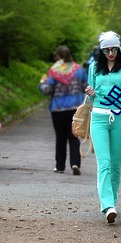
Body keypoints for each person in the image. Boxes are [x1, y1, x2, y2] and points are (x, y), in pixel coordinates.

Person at [85, 31, 121, 223]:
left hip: (120, 118)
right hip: (98, 118)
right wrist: (90, 92)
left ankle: (112, 201)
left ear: (119, 48)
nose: (110, 53)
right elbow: (91, 97)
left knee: (116, 163)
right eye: (106, 50)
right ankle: (107, 205)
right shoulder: (93, 68)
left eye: (114, 49)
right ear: (101, 50)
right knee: (104, 162)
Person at [39, 45, 88, 175]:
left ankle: (60, 166)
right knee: (74, 137)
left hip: (58, 109)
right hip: (75, 109)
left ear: (58, 57)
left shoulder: (54, 71)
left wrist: (42, 83)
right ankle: (75, 163)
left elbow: (47, 90)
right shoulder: (79, 70)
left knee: (60, 138)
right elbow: (86, 87)